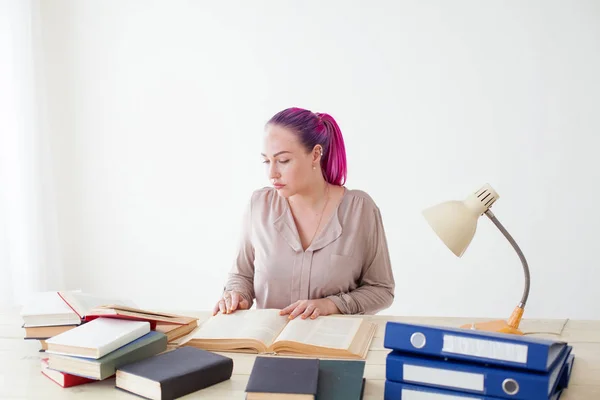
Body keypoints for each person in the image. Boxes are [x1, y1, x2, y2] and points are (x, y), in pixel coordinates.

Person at [213, 107, 395, 320]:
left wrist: (332, 304)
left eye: (283, 160)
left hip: (333, 346)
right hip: (269, 348)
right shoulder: (259, 205)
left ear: (316, 154)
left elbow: (382, 290)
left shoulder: (359, 209)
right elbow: (241, 275)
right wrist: (237, 295)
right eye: (266, 161)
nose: (272, 173)